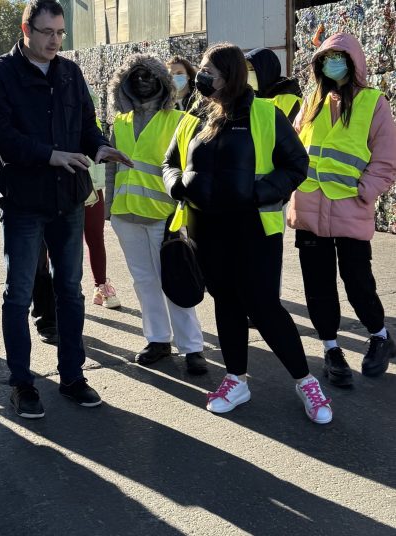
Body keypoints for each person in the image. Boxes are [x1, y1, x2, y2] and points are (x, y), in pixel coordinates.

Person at [163, 43, 334, 424]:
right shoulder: (193, 116)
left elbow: (296, 164)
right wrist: (178, 186)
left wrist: (259, 192)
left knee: (263, 306)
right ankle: (236, 379)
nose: (202, 76)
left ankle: (305, 381)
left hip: (255, 228)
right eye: (202, 70)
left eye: (210, 70)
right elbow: (169, 161)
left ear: (231, 74)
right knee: (225, 301)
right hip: (206, 228)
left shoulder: (266, 114)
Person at [0, 0, 133, 419]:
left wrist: (99, 147)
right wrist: (49, 155)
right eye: (47, 32)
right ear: (25, 29)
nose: (55, 40)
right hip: (25, 202)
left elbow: (85, 125)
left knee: (71, 290)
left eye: (61, 33)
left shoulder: (70, 72)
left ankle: (72, 376)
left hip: (69, 200)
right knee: (19, 293)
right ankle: (22, 383)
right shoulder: (0, 73)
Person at [288, 33, 396, 387]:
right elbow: (293, 146)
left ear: (354, 61)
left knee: (358, 282)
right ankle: (331, 348)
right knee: (317, 286)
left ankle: (380, 335)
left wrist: (365, 192)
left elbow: (385, 160)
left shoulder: (373, 103)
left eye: (340, 56)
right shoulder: (311, 101)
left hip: (349, 208)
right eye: (326, 57)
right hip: (308, 208)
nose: (333, 62)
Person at [106, 53, 206, 374]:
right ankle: (158, 340)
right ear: (124, 85)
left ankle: (192, 346)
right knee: (144, 281)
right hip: (126, 216)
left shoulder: (179, 121)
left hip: (166, 216)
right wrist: (109, 209)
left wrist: (189, 214)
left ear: (163, 83)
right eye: (135, 77)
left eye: (149, 76)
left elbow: (192, 170)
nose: (142, 82)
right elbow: (110, 169)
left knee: (174, 280)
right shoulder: (118, 124)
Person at [86, 84, 121, 309]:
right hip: (61, 186)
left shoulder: (93, 119)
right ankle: (55, 289)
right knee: (56, 244)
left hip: (92, 188)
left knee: (95, 238)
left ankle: (102, 286)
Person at [245, 47, 302, 122]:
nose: (247, 74)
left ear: (265, 71)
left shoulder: (287, 98)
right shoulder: (254, 96)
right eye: (246, 70)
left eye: (251, 69)